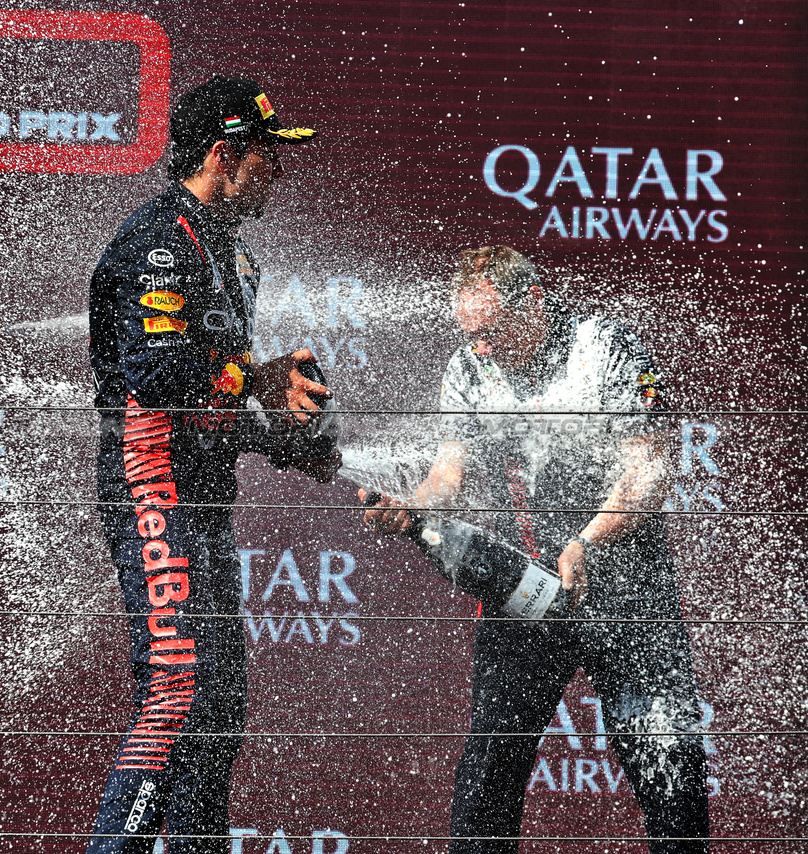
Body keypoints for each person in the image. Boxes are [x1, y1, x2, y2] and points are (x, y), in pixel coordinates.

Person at [363, 246, 709, 853]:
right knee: (487, 780)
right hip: (526, 588)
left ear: (535, 304)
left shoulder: (603, 349)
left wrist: (585, 541)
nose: (481, 348)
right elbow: (449, 476)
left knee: (670, 772)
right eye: (471, 334)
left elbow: (650, 475)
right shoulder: (468, 367)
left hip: (627, 588)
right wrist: (409, 507)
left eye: (492, 332)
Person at [86, 76, 340, 853]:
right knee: (177, 688)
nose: (280, 171)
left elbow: (212, 404)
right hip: (151, 483)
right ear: (225, 155)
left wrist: (288, 442)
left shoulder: (234, 257)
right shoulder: (158, 240)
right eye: (269, 156)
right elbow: (158, 373)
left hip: (201, 493)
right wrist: (258, 378)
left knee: (220, 700)